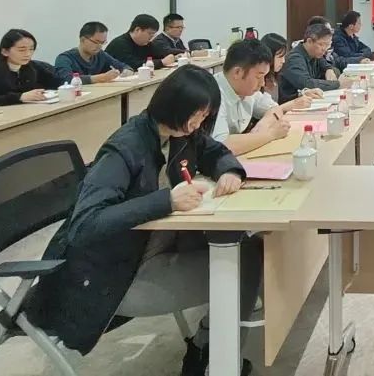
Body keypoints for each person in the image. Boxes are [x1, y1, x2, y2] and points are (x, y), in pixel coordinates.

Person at [24, 65, 260, 376]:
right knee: (245, 261)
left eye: (205, 116)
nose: (198, 123)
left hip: (157, 246)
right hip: (117, 278)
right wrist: (166, 201)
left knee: (244, 243)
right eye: (196, 115)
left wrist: (229, 171)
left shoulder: (179, 133)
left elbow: (213, 150)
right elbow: (86, 223)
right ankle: (214, 358)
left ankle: (209, 345)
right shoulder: (125, 148)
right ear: (174, 106)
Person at [212, 39, 312, 156]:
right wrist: (270, 134)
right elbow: (222, 145)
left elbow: (274, 108)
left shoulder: (246, 89)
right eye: (258, 77)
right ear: (237, 72)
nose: (263, 83)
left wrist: (263, 125)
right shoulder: (213, 94)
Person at [0, 29, 62, 105]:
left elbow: (56, 83)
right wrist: (20, 97)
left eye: (31, 49)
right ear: (5, 52)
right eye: (22, 50)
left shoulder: (34, 67)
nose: (28, 54)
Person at [279, 23, 352, 103]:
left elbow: (330, 67)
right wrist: (338, 84)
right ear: (309, 41)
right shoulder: (294, 58)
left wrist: (329, 69)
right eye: (321, 44)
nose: (324, 49)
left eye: (327, 45)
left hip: (309, 101)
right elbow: (307, 84)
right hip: (291, 104)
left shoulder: (315, 54)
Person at [55, 21, 133, 84]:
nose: (100, 46)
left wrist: (126, 71)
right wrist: (100, 78)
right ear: (82, 40)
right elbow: (67, 80)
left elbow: (122, 66)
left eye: (102, 43)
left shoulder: (100, 54)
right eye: (96, 42)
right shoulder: (64, 58)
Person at [260, 33, 322, 109]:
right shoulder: (259, 81)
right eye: (280, 57)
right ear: (269, 56)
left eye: (284, 56)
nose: (283, 61)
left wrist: (303, 94)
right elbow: (268, 109)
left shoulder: (276, 76)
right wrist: (293, 104)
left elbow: (283, 100)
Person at [106, 14, 177, 71]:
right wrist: (161, 62)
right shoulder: (119, 44)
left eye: (153, 34)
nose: (152, 37)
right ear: (137, 30)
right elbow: (133, 65)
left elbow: (160, 55)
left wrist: (175, 57)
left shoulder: (146, 44)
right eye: (150, 33)